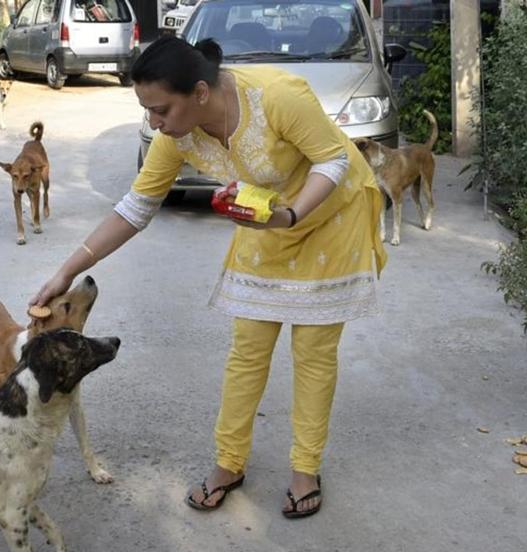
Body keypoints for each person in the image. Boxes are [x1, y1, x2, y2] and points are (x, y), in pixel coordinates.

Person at [30, 36, 387, 519]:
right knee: (248, 351)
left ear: (200, 92)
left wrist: (290, 217)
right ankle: (229, 462)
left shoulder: (277, 96)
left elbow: (334, 159)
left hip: (329, 218)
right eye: (147, 111)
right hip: (267, 220)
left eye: (160, 109)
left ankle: (305, 469)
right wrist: (66, 271)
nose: (154, 122)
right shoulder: (176, 136)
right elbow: (136, 207)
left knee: (314, 354)